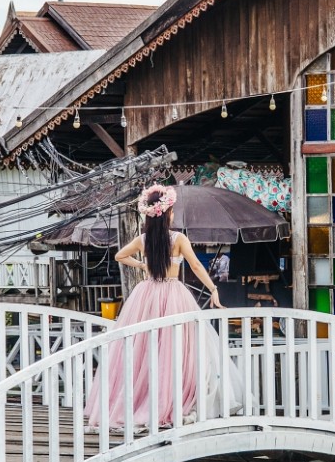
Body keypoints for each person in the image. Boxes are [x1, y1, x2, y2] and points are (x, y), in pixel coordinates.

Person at [83, 184, 244, 429]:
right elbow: (197, 267)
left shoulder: (143, 240)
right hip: (173, 293)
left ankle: (138, 400)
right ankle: (171, 399)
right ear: (168, 213)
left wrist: (141, 266)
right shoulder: (178, 239)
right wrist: (213, 289)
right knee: (177, 350)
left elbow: (119, 256)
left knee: (144, 350)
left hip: (146, 294)